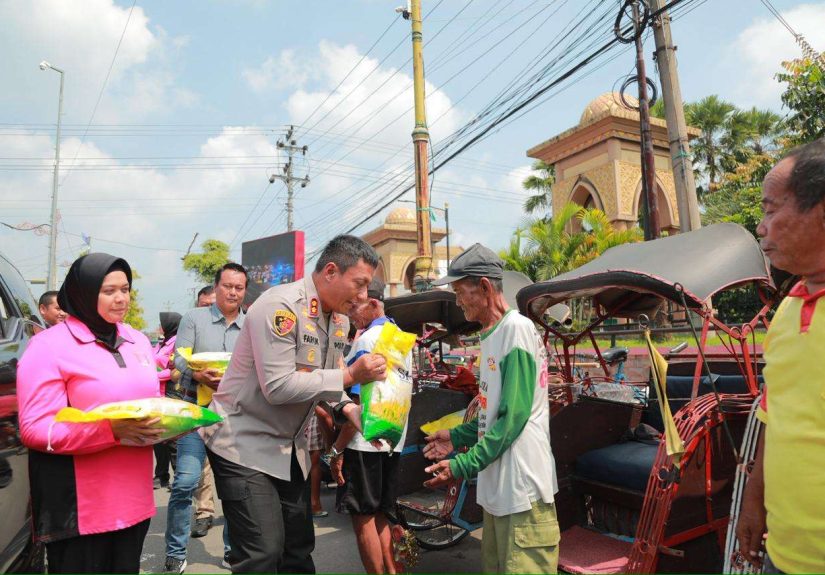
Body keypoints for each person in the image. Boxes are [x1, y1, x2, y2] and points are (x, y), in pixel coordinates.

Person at [202, 235, 389, 573]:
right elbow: (278, 387)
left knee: (298, 550)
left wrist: (351, 411)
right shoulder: (280, 307)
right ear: (331, 271)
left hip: (290, 449)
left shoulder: (341, 321)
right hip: (243, 443)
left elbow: (325, 382)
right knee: (262, 553)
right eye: (359, 285)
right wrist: (350, 376)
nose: (363, 297)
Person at [16, 253, 164, 573]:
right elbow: (35, 428)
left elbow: (151, 401)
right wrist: (110, 431)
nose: (121, 298)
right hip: (80, 509)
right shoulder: (49, 346)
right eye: (108, 291)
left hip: (134, 500)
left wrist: (172, 424)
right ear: (84, 292)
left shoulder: (137, 340)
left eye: (125, 289)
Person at [423, 243, 560, 574]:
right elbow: (492, 413)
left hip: (522, 487)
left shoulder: (516, 330)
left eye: (459, 292)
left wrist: (462, 465)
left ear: (484, 287)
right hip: (500, 488)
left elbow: (512, 418)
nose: (457, 302)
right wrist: (455, 436)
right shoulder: (493, 335)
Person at [736, 138, 825, 574]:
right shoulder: (787, 310)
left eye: (772, 210)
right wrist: (754, 500)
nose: (761, 227)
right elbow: (776, 416)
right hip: (783, 558)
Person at [163, 263, 248, 574]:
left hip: (233, 417)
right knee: (185, 482)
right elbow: (180, 356)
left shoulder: (251, 324)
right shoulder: (194, 318)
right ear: (216, 288)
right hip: (195, 414)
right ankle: (175, 552)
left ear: (244, 291)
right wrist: (197, 373)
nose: (233, 292)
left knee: (233, 488)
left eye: (239, 287)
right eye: (228, 286)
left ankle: (231, 550)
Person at [328, 277, 410, 574]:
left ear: (373, 304)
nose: (351, 314)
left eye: (355, 307)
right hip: (392, 439)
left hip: (364, 442)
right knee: (380, 516)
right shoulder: (400, 336)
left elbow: (356, 405)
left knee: (362, 518)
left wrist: (336, 449)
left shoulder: (365, 341)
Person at [154, 311, 182, 490]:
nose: (158, 327)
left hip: (171, 392)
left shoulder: (178, 342)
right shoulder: (161, 342)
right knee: (157, 437)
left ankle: (179, 476)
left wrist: (154, 375)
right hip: (157, 393)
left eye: (161, 324)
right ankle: (161, 475)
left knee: (172, 437)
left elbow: (178, 369)